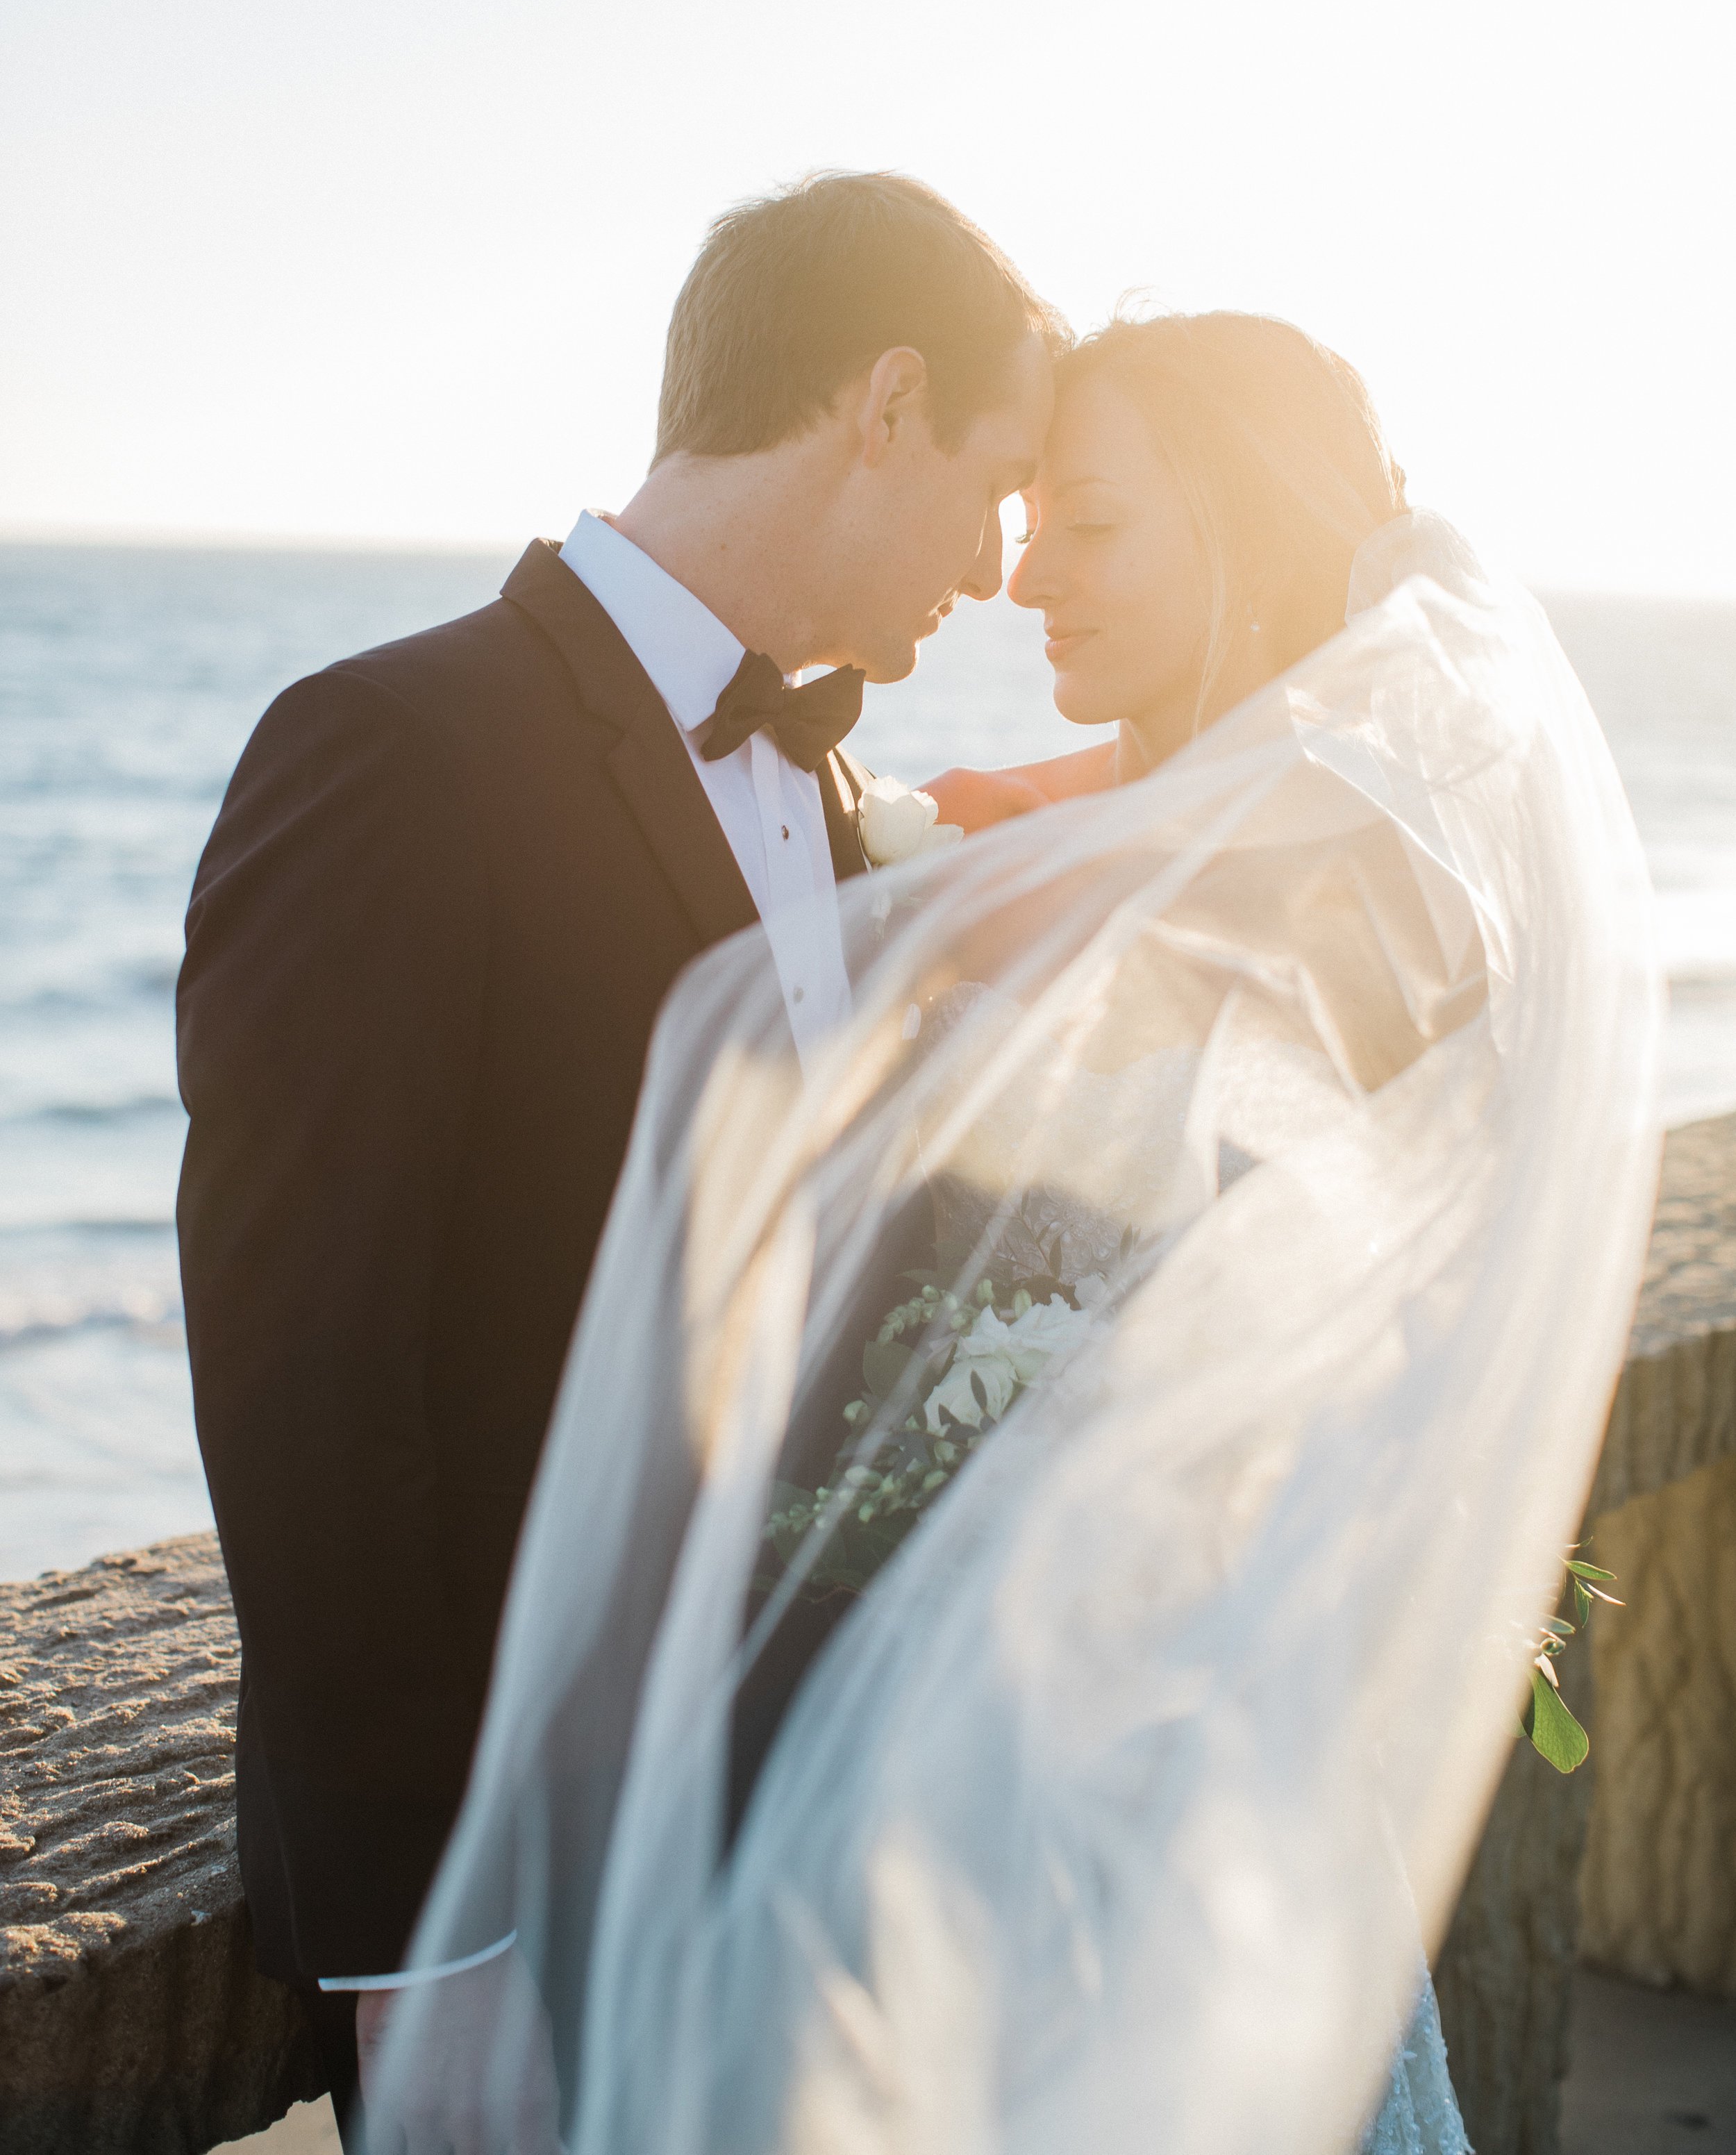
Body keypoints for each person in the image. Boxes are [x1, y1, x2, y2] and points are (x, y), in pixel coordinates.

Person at [362, 309, 1662, 2155]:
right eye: (1029, 516)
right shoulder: (1128, 823)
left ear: (1249, 527)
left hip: (1155, 1773)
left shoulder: (1369, 866)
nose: (1025, 575)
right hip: (965, 1793)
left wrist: (948, 881)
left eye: (1096, 526)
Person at [175, 170, 1060, 2142]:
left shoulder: (828, 789)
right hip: (520, 1872)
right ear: (883, 405)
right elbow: (302, 1368)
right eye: (997, 486)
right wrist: (429, 1940)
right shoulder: (392, 747)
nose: (1004, 567)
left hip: (795, 1813)